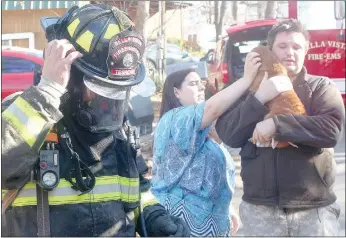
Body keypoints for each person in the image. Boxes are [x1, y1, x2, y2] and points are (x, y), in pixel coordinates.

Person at [1, 4, 190, 237]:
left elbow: (137, 187)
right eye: (97, 89)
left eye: (114, 94)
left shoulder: (118, 129)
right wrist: (48, 92)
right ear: (71, 74)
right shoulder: (29, 114)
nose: (105, 102)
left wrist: (153, 216)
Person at [215, 19, 345, 236]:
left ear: (305, 50)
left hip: (313, 209)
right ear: (271, 50)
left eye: (296, 47)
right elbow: (229, 134)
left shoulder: (320, 87)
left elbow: (330, 130)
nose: (290, 52)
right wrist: (258, 99)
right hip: (261, 211)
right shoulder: (249, 90)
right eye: (282, 46)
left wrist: (277, 124)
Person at [150, 56, 274, 236]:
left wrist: (227, 207)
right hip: (183, 225)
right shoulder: (175, 119)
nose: (201, 87)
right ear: (176, 92)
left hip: (209, 224)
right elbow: (213, 108)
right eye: (193, 83)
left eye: (201, 82)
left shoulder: (198, 129)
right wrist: (247, 80)